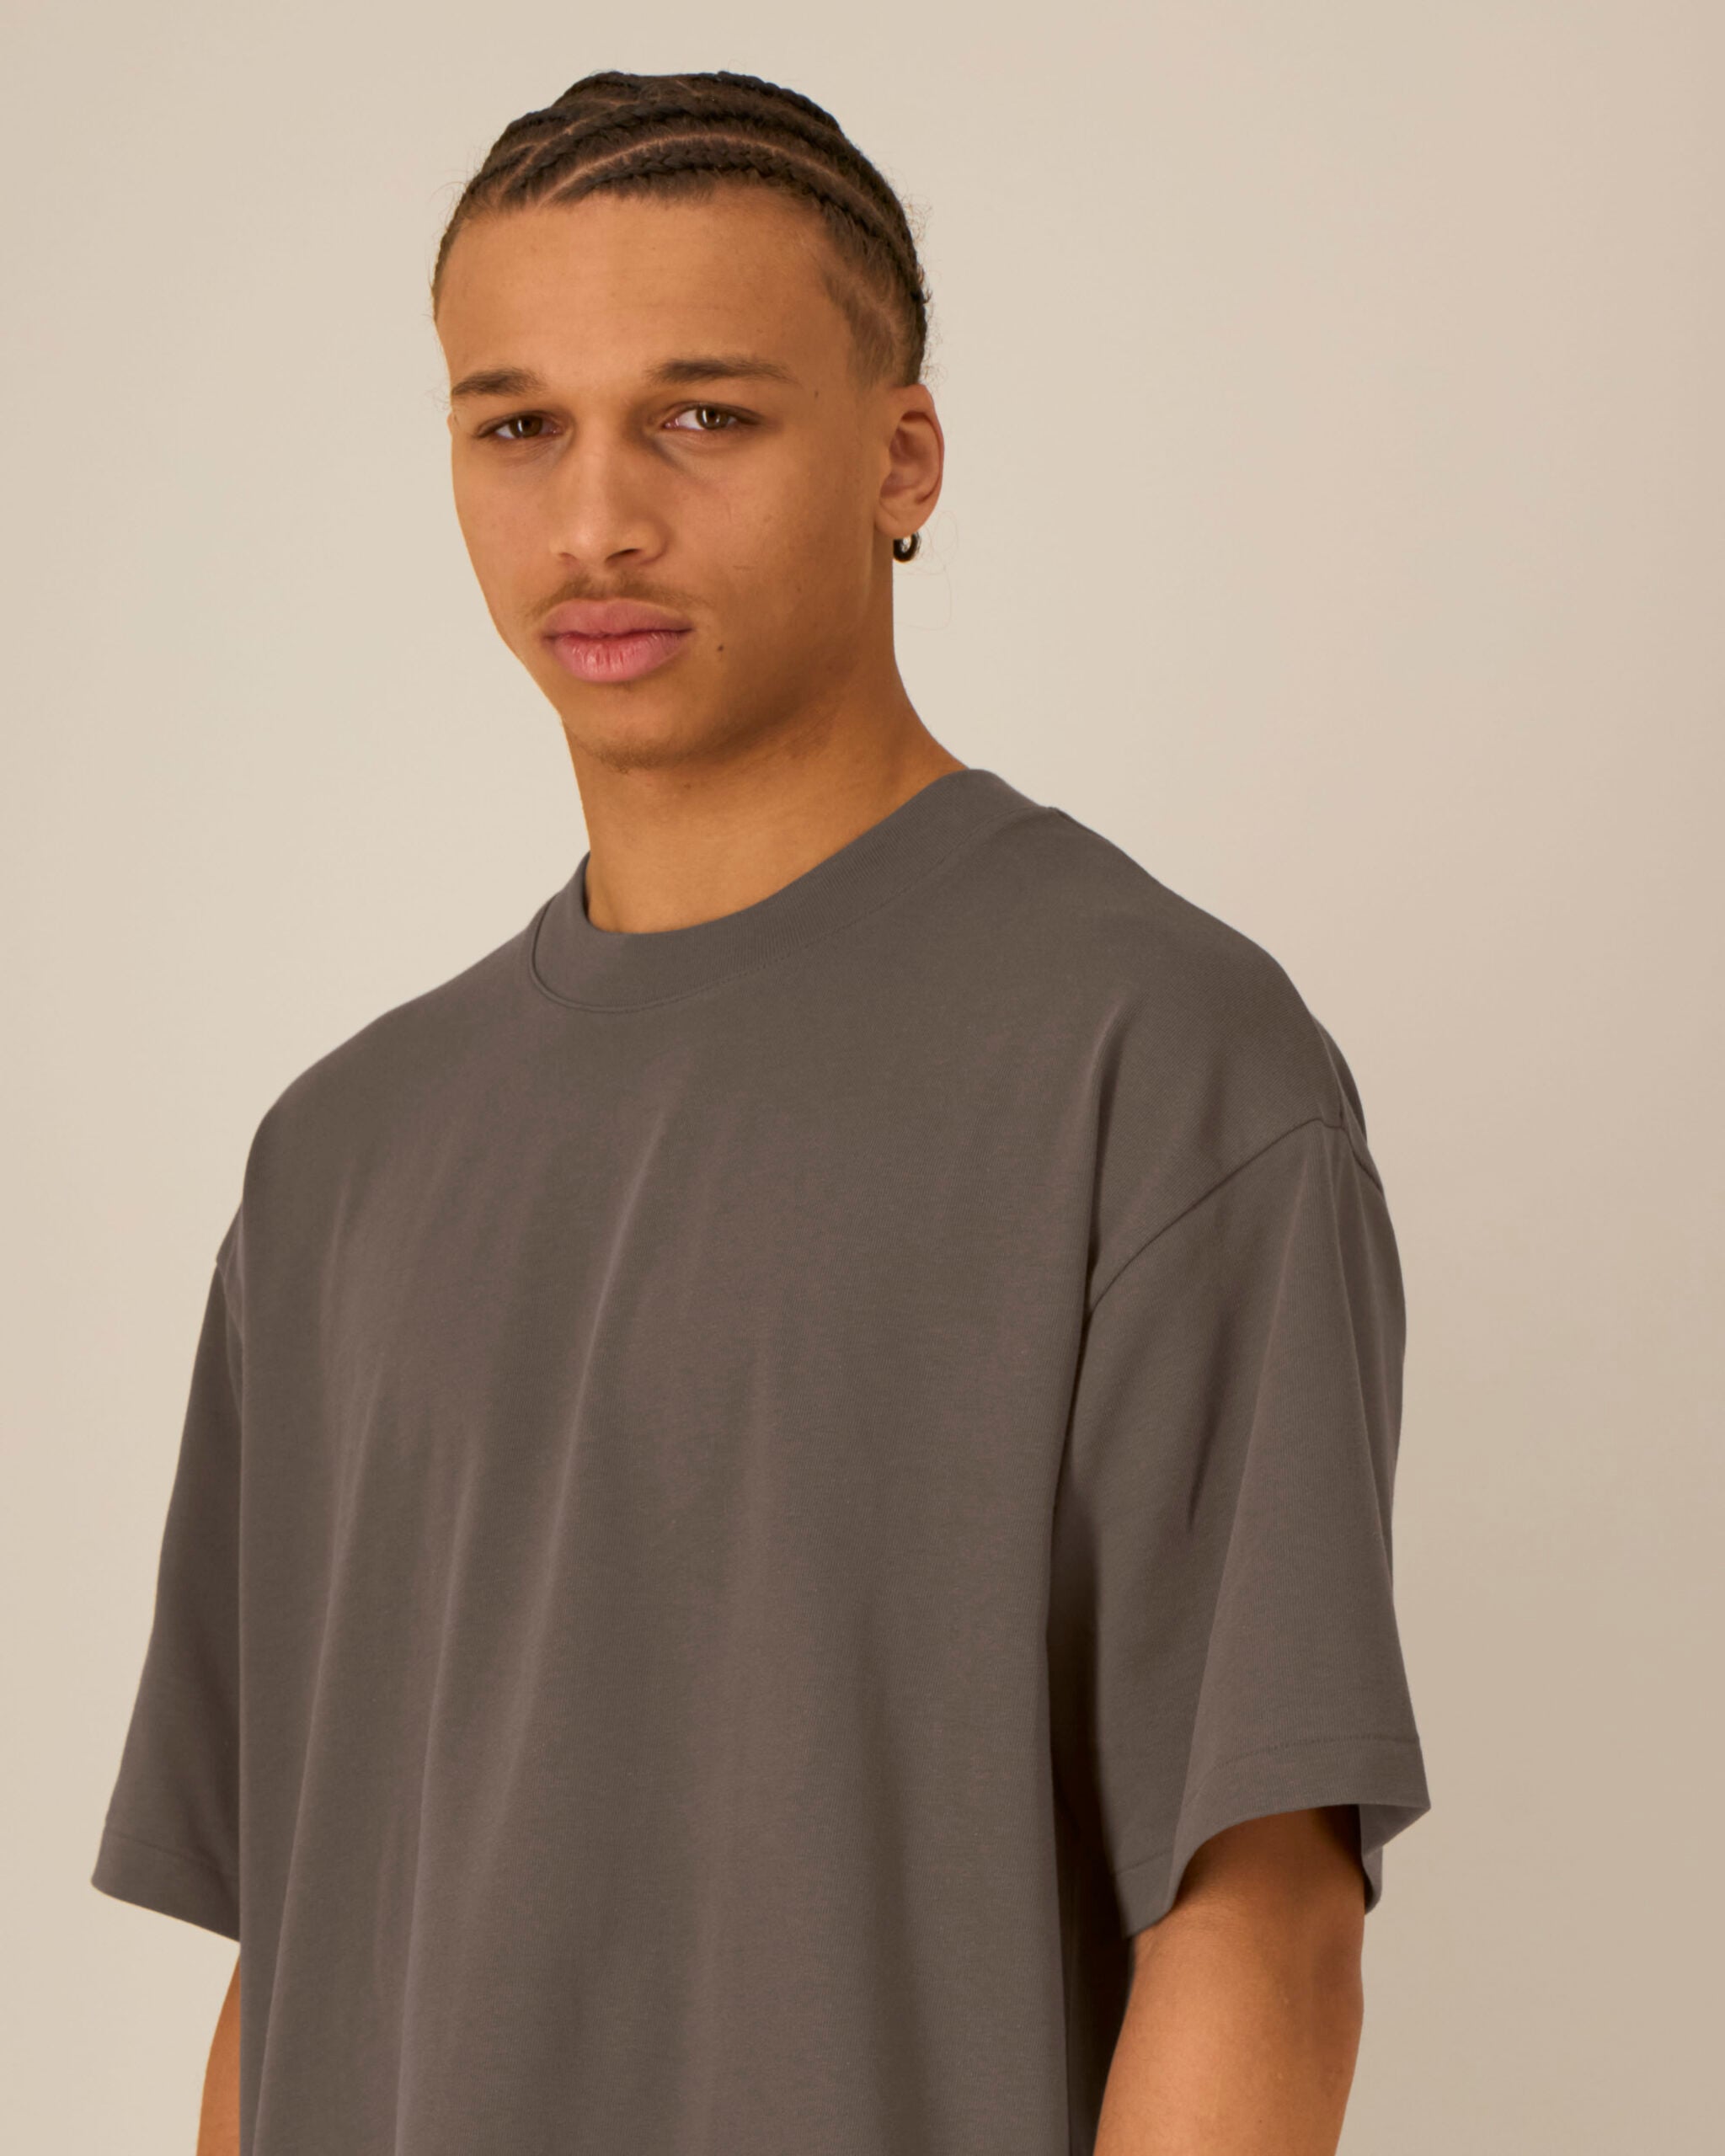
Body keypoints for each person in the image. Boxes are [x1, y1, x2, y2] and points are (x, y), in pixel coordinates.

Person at [90, 67, 1430, 2156]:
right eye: (516, 425)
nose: (595, 519)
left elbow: (1260, 1912)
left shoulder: (1157, 1058)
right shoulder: (338, 1157)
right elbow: (297, 1949)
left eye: (702, 415)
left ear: (901, 455)